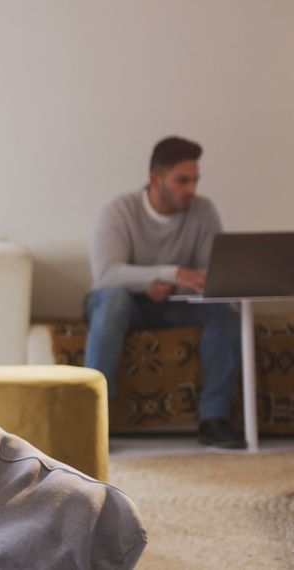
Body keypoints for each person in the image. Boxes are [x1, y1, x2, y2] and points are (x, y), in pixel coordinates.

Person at [86, 135, 244, 448]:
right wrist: (161, 276)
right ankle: (92, 419)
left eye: (194, 180)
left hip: (175, 302)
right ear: (155, 179)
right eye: (182, 180)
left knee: (222, 308)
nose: (191, 189)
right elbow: (106, 274)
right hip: (124, 303)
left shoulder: (203, 212)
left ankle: (215, 419)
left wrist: (189, 283)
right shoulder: (120, 211)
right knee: (114, 300)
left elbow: (210, 273)